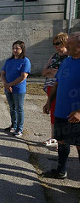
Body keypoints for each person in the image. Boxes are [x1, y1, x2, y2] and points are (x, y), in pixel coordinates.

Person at [42, 32, 80, 179]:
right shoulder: (66, 61)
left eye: (69, 44)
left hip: (76, 114)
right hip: (61, 111)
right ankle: (61, 170)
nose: (65, 46)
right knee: (62, 141)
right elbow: (58, 82)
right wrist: (49, 102)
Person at [41, 33, 68, 147]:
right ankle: (54, 137)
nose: (55, 46)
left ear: (64, 42)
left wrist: (53, 72)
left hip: (61, 87)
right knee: (53, 112)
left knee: (60, 113)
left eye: (58, 43)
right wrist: (54, 72)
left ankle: (59, 138)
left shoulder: (69, 57)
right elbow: (44, 72)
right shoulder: (54, 56)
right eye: (54, 44)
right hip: (50, 87)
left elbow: (65, 74)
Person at [1, 41, 31, 138]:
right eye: (13, 48)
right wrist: (5, 84)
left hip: (18, 89)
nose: (15, 50)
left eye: (17, 48)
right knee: (12, 108)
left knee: (19, 109)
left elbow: (23, 76)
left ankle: (19, 129)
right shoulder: (9, 61)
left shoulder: (25, 61)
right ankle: (13, 125)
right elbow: (2, 73)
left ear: (22, 49)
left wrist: (10, 84)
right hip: (8, 88)